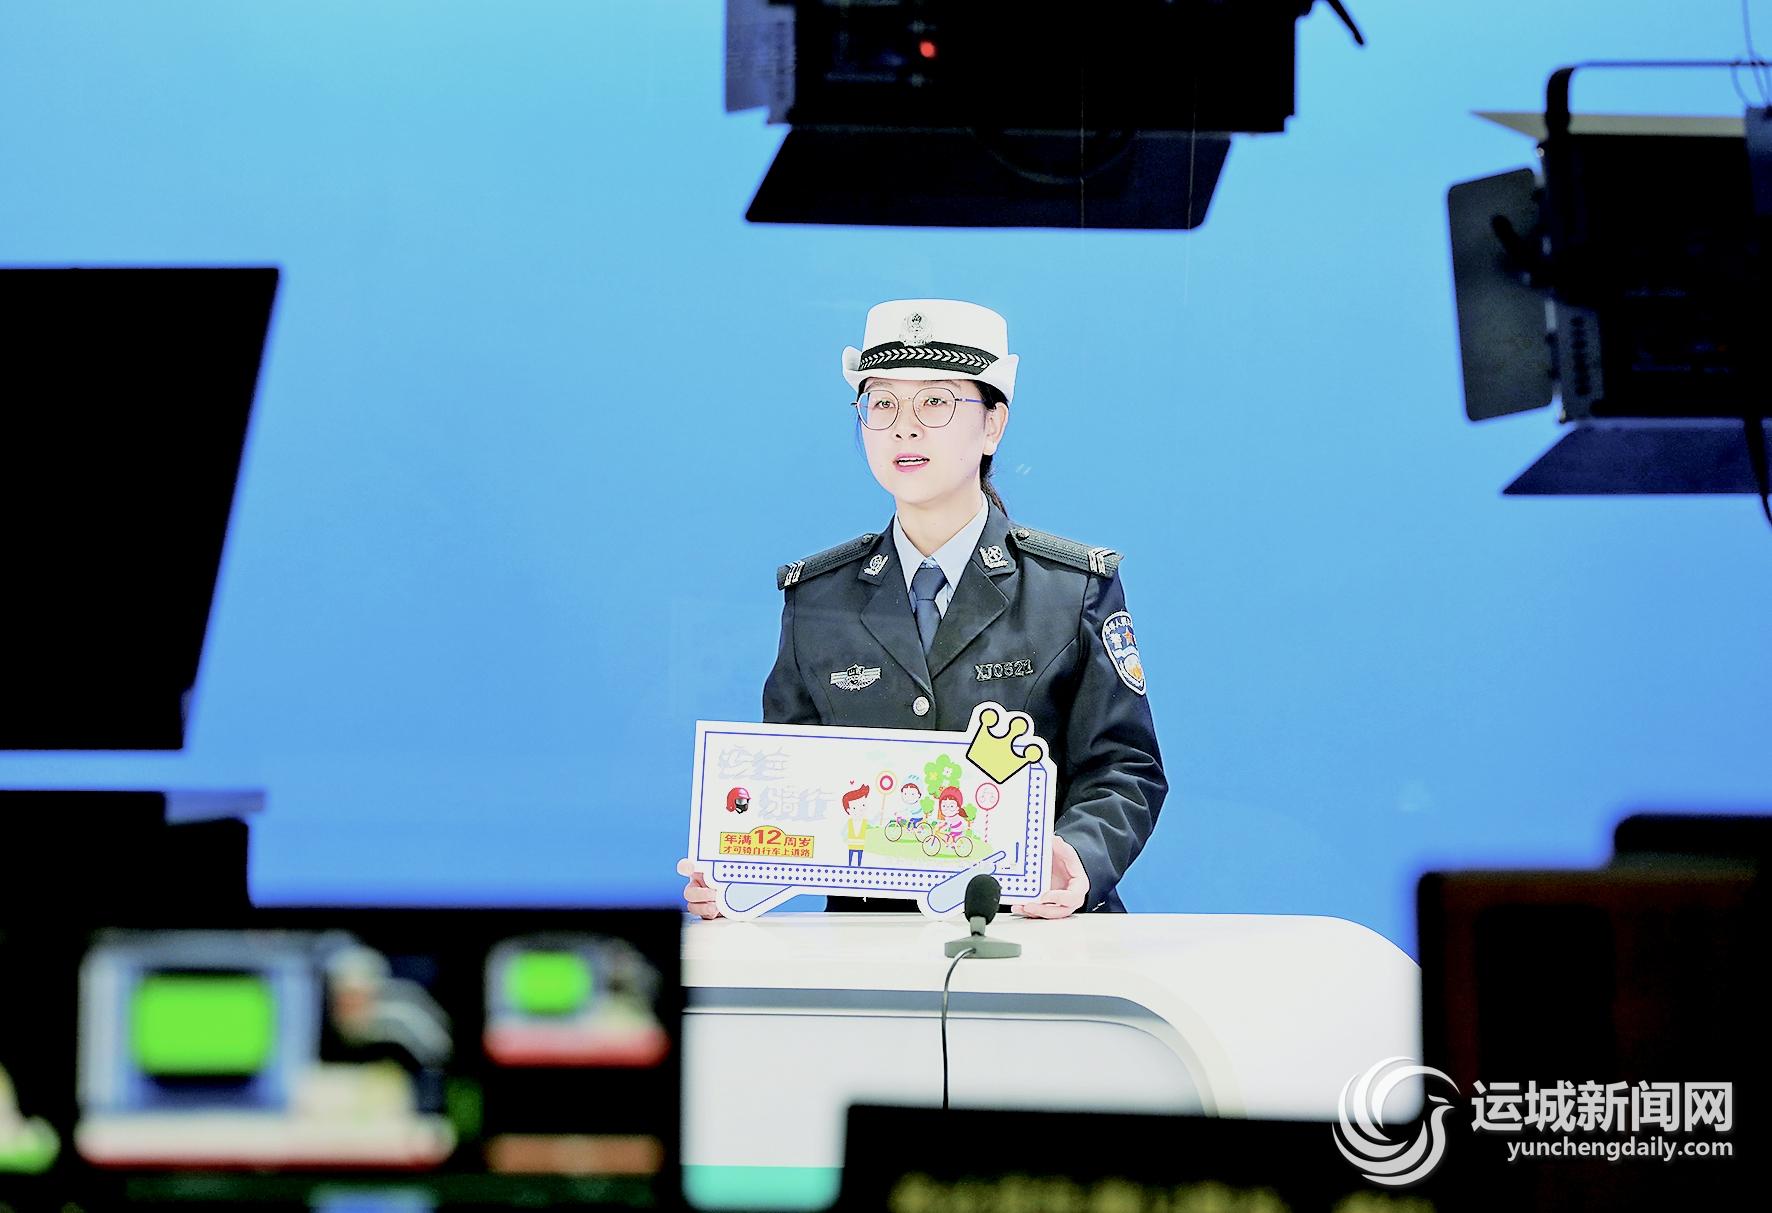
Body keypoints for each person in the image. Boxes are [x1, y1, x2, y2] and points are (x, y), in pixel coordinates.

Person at [682, 298, 1165, 919]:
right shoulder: (817, 598)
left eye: (935, 402)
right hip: (867, 948)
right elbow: (787, 787)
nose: (904, 428)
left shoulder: (1069, 590)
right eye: (882, 403)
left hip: (1038, 936)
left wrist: (1077, 856)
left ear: (992, 425)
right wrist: (739, 871)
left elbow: (1124, 767)